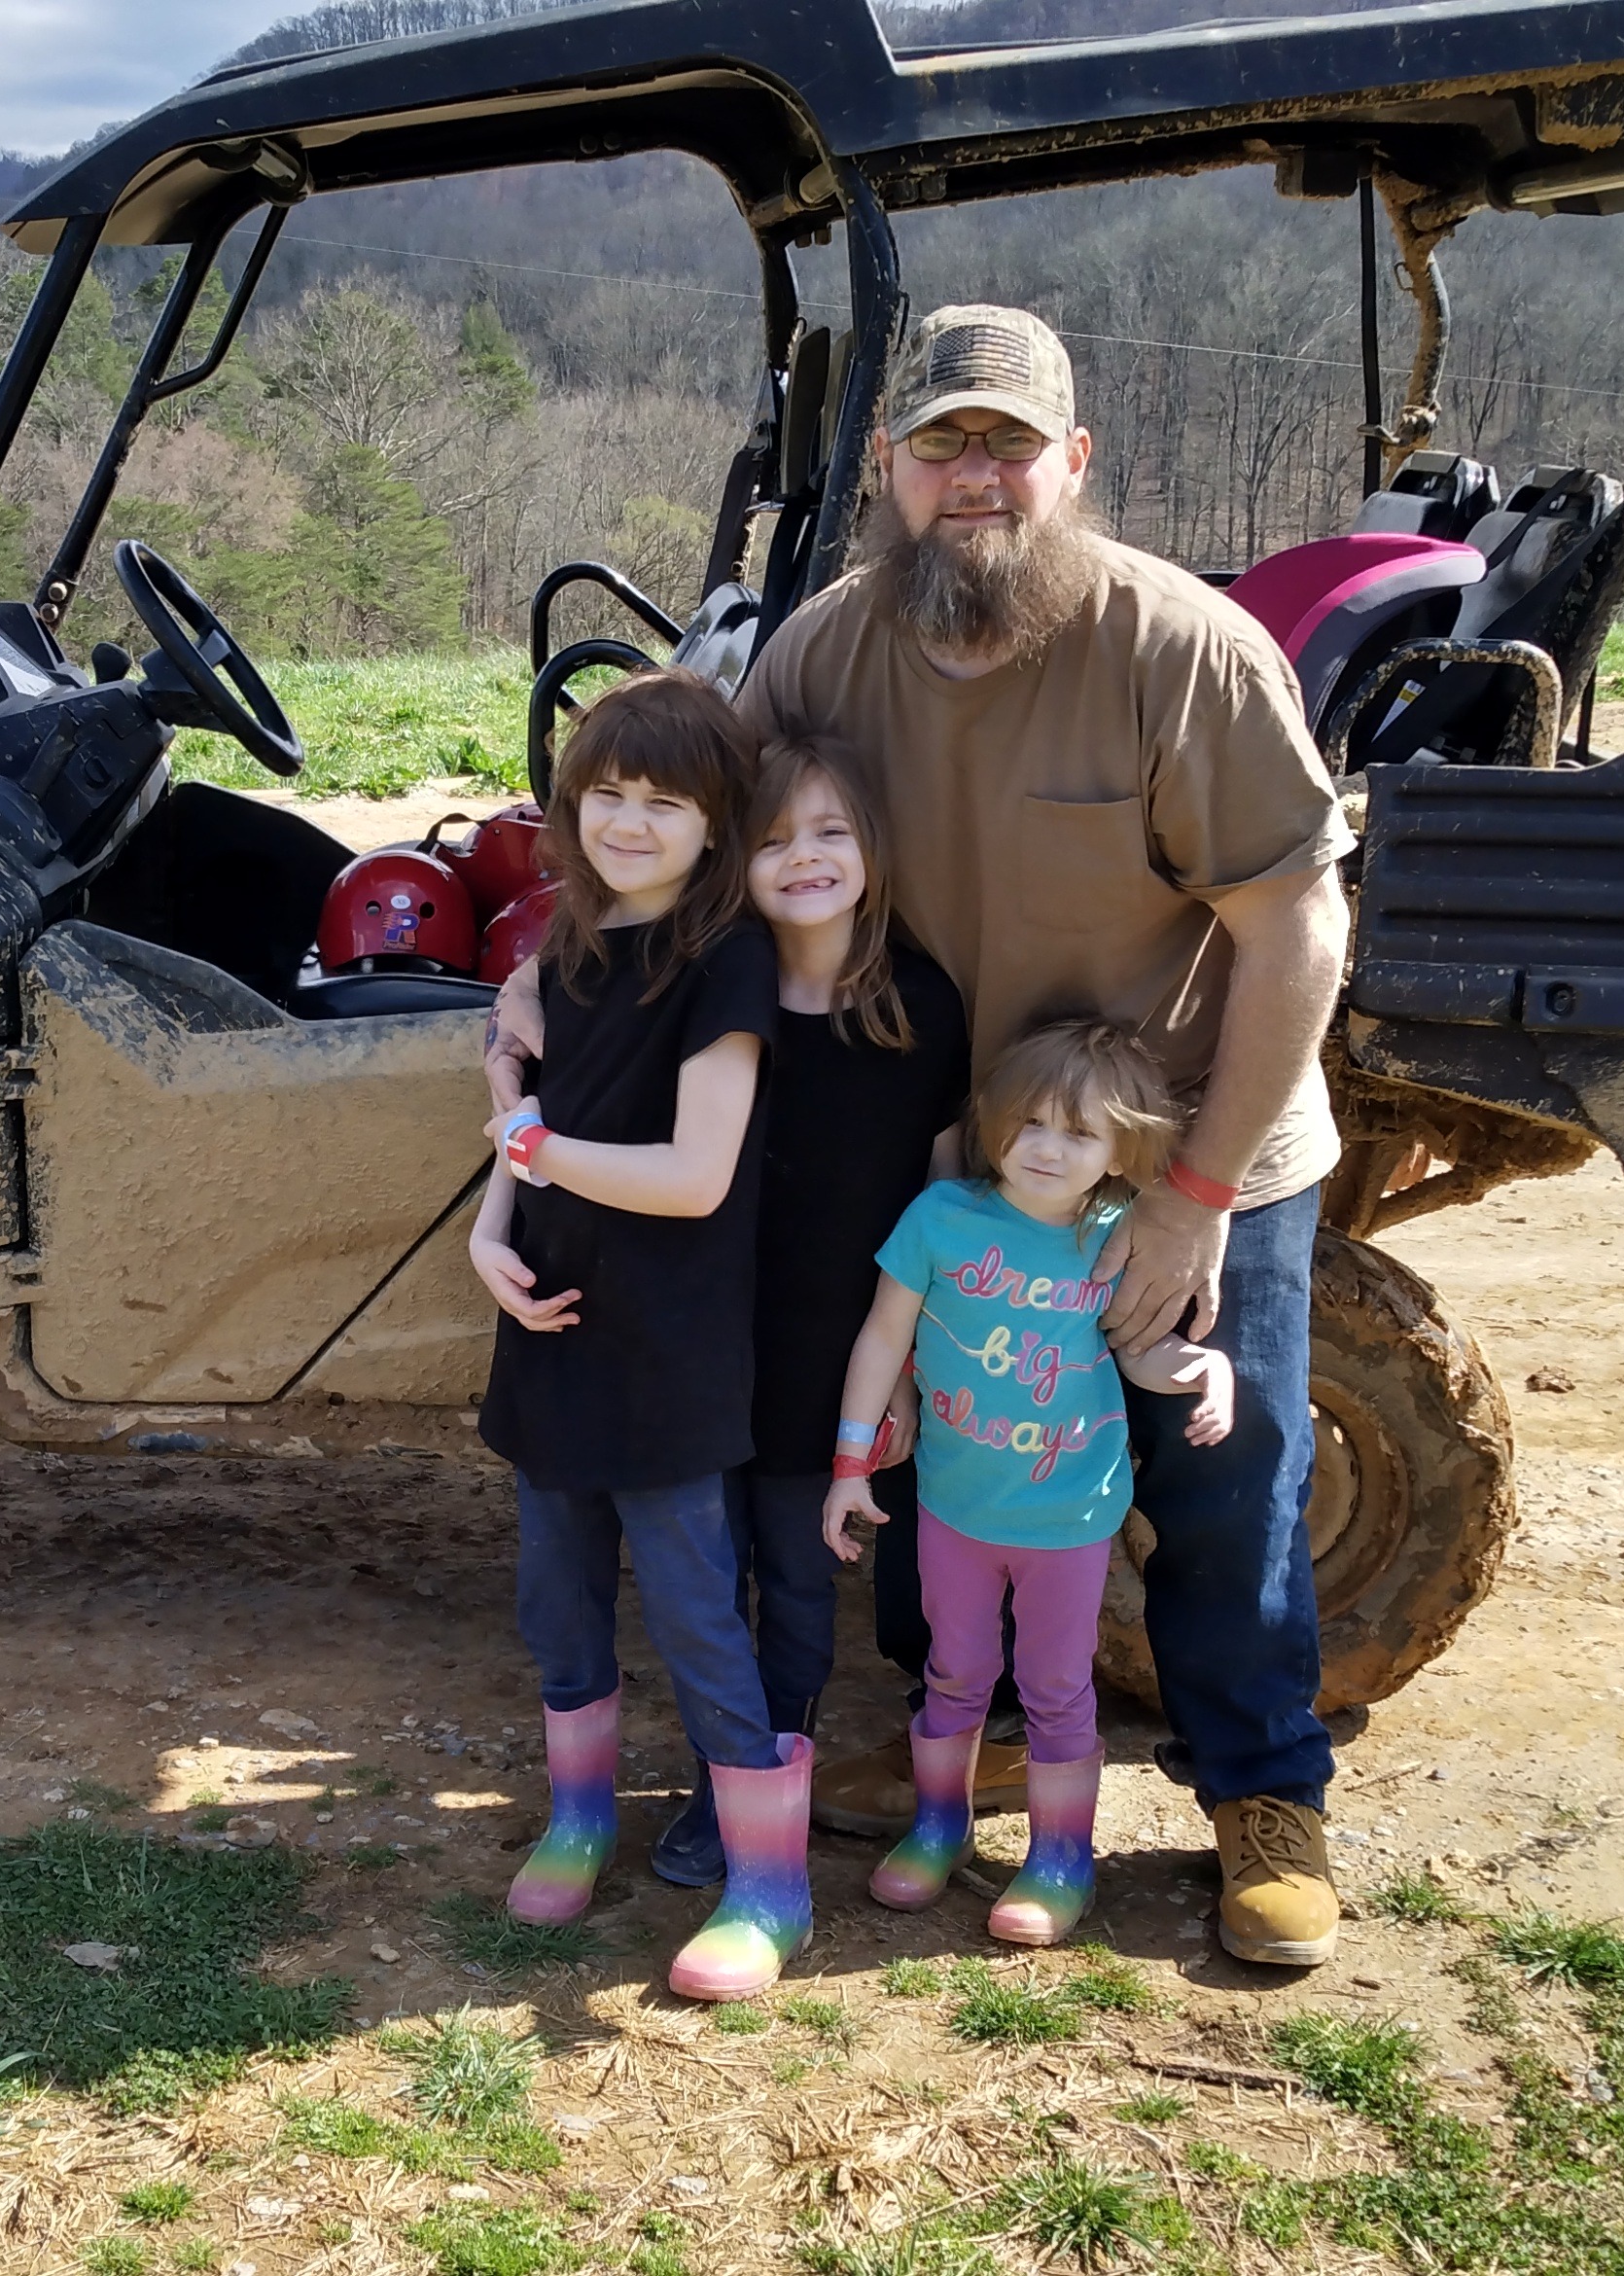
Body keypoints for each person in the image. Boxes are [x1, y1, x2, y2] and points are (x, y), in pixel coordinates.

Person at [523, 302, 1358, 1965]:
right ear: (889, 472)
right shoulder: (824, 654)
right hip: (944, 1168)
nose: (975, 476)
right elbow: (689, 856)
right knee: (937, 1456)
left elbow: (1297, 931)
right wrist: (526, 999)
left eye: (1010, 444)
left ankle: (1265, 1790)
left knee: (1218, 1472)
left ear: (1074, 461)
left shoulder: (1181, 650)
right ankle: (966, 1737)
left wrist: (1194, 1197)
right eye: (940, 445)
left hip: (1175, 1149)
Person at [503, 740, 972, 1889]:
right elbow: (573, 1058)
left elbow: (941, 1193)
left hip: (833, 1346)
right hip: (695, 1334)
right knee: (701, 1580)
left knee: (797, 1577)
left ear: (874, 849)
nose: (802, 859)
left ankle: (764, 1783)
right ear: (731, 858)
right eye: (772, 840)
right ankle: (723, 1777)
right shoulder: (711, 980)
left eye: (830, 833)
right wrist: (510, 1013)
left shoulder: (920, 1005)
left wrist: (903, 1370)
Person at [467, 668, 808, 2004]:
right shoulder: (566, 945)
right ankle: (578, 1820)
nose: (627, 822)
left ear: (717, 823)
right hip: (549, 1323)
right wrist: (490, 1230)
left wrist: (528, 1146)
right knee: (553, 1596)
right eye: (605, 794)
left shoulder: (726, 962)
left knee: (693, 1607)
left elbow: (694, 1177)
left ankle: (768, 1880)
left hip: (668, 1346)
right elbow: (524, 1116)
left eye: (663, 803)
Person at [822, 1018, 1234, 1946]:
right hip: (954, 1508)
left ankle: (1060, 1858)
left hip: (1067, 1519)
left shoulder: (1117, 1235)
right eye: (1032, 1122)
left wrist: (1207, 1370)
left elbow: (1142, 1351)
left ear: (1121, 1151)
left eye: (1081, 1133)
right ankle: (939, 1826)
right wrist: (851, 1463)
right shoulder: (941, 1219)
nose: (1048, 1148)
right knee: (953, 1671)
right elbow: (883, 1335)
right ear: (996, 1122)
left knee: (1056, 1685)